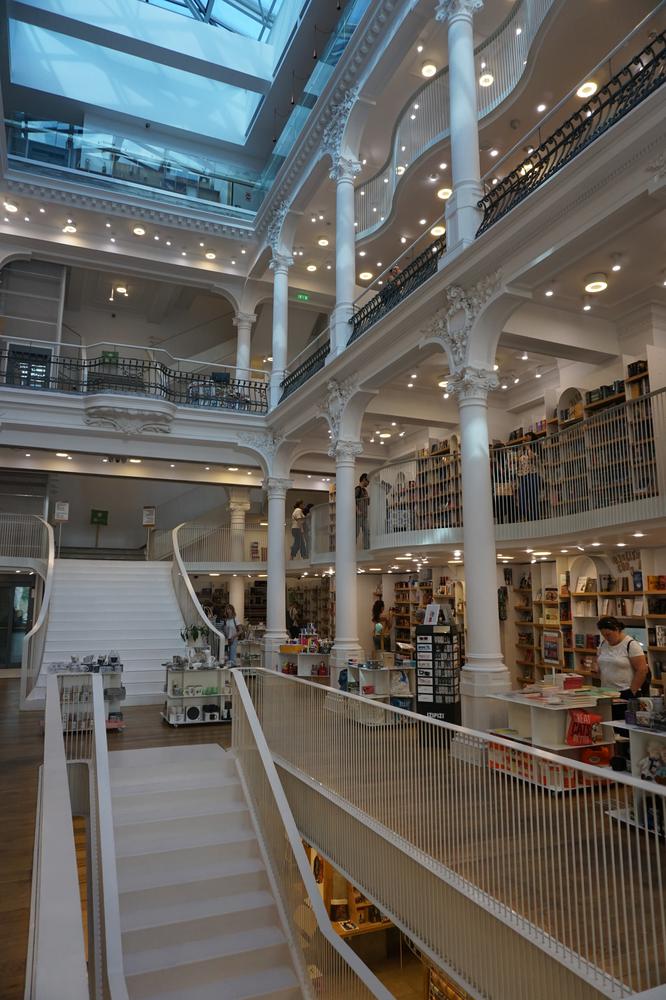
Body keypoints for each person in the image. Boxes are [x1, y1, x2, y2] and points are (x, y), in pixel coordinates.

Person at [596, 617, 649, 705]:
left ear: (617, 630)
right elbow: (600, 661)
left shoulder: (631, 645)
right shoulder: (603, 644)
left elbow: (642, 670)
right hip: (606, 692)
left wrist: (632, 691)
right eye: (603, 635)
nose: (606, 637)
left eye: (608, 634)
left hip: (625, 691)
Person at [516, 434, 541, 521]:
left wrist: (528, 447)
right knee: (521, 500)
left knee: (533, 498)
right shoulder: (521, 451)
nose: (525, 437)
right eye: (525, 436)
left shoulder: (535, 448)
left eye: (528, 436)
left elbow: (532, 458)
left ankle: (536, 519)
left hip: (532, 475)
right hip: (522, 477)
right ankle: (529, 518)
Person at [355, 474, 370, 548]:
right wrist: (357, 510)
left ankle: (367, 549)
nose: (368, 483)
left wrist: (367, 497)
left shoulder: (365, 491)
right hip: (358, 516)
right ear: (364, 479)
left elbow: (368, 503)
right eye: (368, 481)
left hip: (364, 516)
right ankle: (351, 550)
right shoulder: (358, 489)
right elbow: (353, 500)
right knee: (356, 533)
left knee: (367, 532)